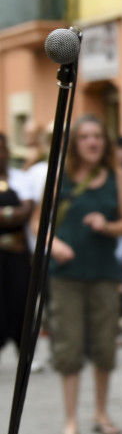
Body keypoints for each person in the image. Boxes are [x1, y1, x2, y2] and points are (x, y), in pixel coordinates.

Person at [41, 113, 122, 434]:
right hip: (66, 276)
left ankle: (100, 413)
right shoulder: (60, 176)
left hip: (105, 275)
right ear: (75, 143)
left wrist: (107, 226)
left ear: (104, 142)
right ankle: (70, 422)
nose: (92, 141)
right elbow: (42, 225)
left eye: (97, 136)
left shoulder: (116, 177)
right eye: (85, 136)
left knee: (104, 346)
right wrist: (56, 244)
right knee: (68, 347)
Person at [0, 133, 35, 356]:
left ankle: (24, 353)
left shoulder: (19, 177)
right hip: (8, 249)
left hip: (18, 255)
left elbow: (27, 209)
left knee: (22, 301)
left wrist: (7, 213)